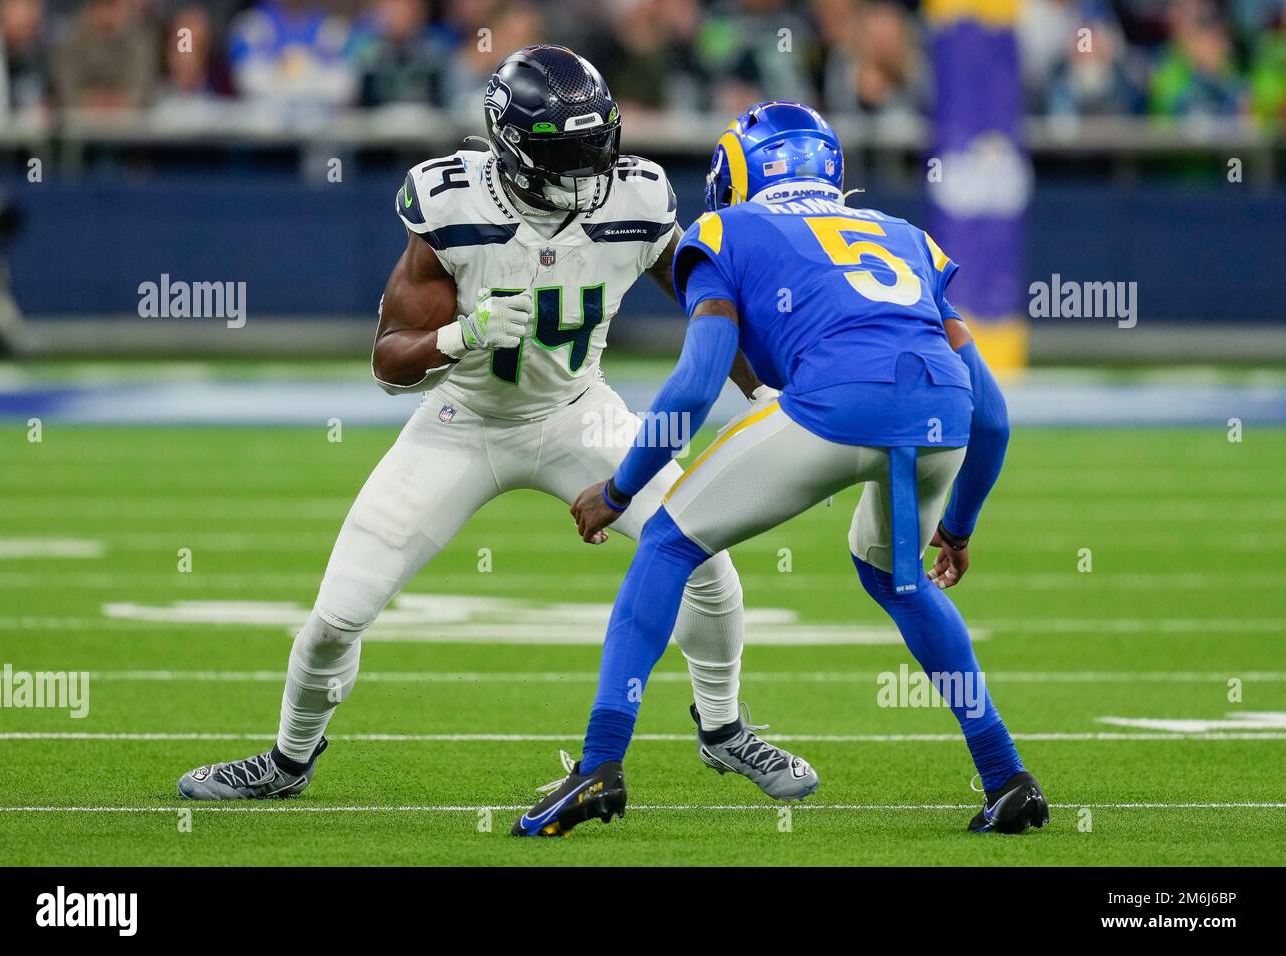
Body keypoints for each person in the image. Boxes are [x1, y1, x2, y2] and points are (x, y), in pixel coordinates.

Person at [177, 47, 815, 805]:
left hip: (579, 412)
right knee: (333, 620)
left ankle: (723, 729)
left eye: (595, 151)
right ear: (508, 151)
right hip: (463, 420)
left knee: (707, 566)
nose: (587, 177)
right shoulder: (453, 204)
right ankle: (287, 759)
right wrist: (462, 336)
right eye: (563, 158)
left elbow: (707, 306)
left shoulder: (635, 198)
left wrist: (777, 389)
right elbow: (387, 363)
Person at [514, 100, 1048, 838]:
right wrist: (958, 526)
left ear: (739, 169)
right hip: (941, 416)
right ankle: (1007, 777)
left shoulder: (724, 229)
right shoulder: (903, 236)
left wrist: (620, 488)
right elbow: (992, 413)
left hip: (833, 406)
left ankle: (600, 765)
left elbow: (700, 382)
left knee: (668, 541)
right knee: (899, 577)